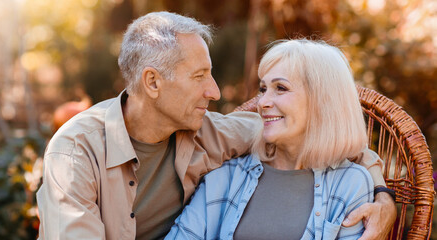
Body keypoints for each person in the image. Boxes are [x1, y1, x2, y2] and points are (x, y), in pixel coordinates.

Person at [36, 12, 395, 240]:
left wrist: (383, 196)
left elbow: (327, 138)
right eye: (199, 77)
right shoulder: (75, 153)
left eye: (280, 88)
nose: (216, 91)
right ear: (153, 82)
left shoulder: (213, 132)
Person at [165, 39, 395, 240]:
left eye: (281, 88)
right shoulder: (226, 176)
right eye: (263, 89)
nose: (262, 102)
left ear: (322, 101)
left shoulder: (351, 183)